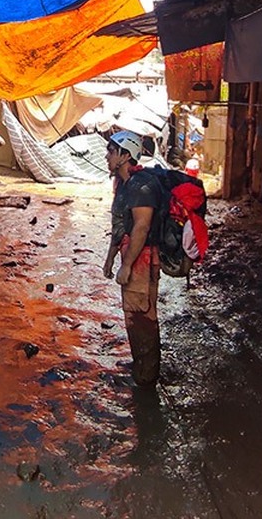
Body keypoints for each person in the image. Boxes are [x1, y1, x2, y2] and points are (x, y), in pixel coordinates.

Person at [101, 130, 162, 387]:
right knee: (133, 316)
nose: (107, 156)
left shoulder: (141, 186)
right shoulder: (124, 184)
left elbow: (141, 227)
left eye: (112, 152)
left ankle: (146, 381)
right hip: (132, 256)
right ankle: (142, 368)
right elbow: (120, 225)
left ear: (126, 155)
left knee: (142, 318)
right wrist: (110, 258)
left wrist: (126, 266)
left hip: (142, 260)